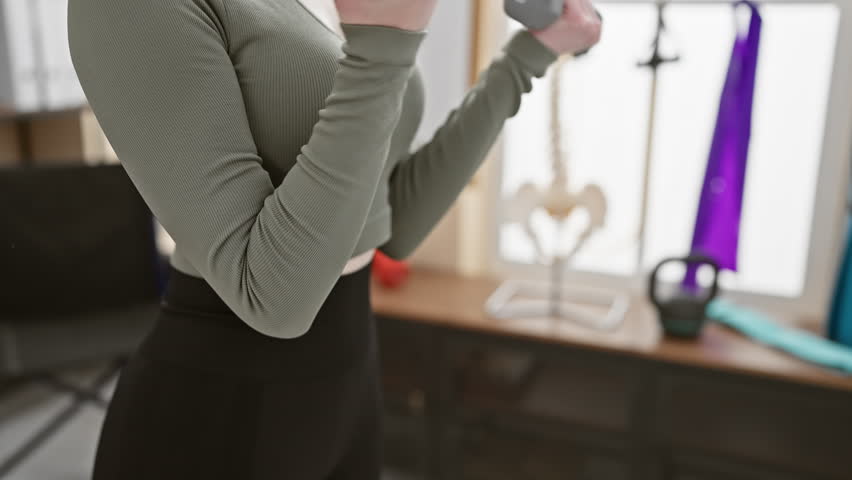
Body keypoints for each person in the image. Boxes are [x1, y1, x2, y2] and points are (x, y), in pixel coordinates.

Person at [67, 0, 601, 478]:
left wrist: (526, 59)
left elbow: (396, 221)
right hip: (220, 405)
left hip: (347, 379)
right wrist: (382, 52)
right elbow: (271, 298)